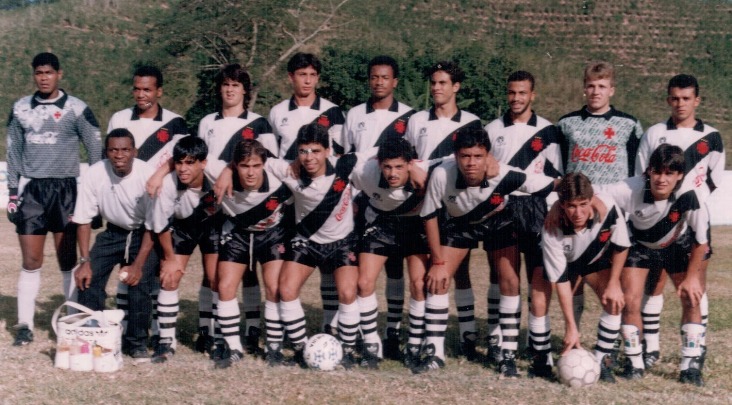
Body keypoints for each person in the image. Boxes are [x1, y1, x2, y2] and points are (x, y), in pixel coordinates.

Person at [415, 127, 555, 375]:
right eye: (465, 156)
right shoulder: (441, 174)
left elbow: (553, 184)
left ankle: (507, 354)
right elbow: (429, 216)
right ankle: (435, 352)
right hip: (460, 224)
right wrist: (436, 262)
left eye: (478, 156)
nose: (471, 163)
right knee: (437, 279)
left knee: (510, 281)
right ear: (456, 156)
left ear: (488, 156)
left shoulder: (504, 174)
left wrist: (590, 194)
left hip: (497, 222)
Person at [6, 52, 102, 346]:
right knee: (31, 260)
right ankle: (25, 325)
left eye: (49, 72)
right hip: (33, 191)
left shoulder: (76, 108)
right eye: (39, 73)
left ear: (59, 74)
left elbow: (95, 149)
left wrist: (96, 193)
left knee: (67, 260)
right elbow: (13, 151)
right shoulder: (21, 108)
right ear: (34, 75)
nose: (44, 78)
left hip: (65, 191)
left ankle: (71, 321)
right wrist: (13, 192)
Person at [596, 144, 711, 385]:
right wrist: (557, 208)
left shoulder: (691, 195)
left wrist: (692, 278)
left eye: (669, 173)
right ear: (649, 171)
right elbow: (592, 194)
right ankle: (634, 362)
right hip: (640, 244)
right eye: (657, 171)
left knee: (691, 298)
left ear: (680, 175)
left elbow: (701, 241)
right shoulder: (631, 188)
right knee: (630, 300)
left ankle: (689, 365)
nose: (661, 179)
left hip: (677, 244)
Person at [633, 74, 724, 371]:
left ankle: (696, 348)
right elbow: (642, 173)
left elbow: (713, 178)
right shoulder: (654, 133)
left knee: (695, 283)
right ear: (668, 100)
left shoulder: (711, 136)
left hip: (693, 219)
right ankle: (650, 347)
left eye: (686, 98)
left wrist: (687, 204)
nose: (680, 104)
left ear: (697, 100)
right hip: (656, 220)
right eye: (674, 98)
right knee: (654, 281)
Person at [483, 70, 562, 376]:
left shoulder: (548, 131)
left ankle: (541, 353)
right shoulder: (492, 129)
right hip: (504, 208)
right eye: (512, 92)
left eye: (522, 93)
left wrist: (553, 210)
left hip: (538, 208)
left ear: (532, 95)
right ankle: (507, 352)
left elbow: (556, 176)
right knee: (508, 281)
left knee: (539, 281)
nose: (516, 98)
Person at [404, 61, 484, 361]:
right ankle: (422, 339)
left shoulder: (472, 122)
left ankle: (467, 334)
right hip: (423, 206)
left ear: (456, 87)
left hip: (457, 207)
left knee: (460, 272)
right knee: (423, 275)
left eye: (443, 83)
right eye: (433, 83)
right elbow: (407, 157)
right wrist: (410, 166)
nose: (436, 88)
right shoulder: (417, 121)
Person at [556, 61, 643, 333]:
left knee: (618, 283)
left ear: (612, 90)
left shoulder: (629, 124)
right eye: (591, 86)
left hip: (614, 215)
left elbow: (637, 171)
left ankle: (616, 342)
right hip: (577, 213)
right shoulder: (567, 123)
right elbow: (558, 169)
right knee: (574, 279)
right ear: (584, 88)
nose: (596, 91)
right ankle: (573, 337)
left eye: (602, 86)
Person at [195, 63, 275, 355]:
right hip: (213, 205)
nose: (230, 90)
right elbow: (201, 162)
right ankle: (209, 330)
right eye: (226, 84)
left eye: (236, 85)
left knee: (249, 270)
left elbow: (269, 161)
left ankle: (252, 329)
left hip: (244, 205)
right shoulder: (207, 122)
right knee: (212, 271)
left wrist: (230, 171)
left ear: (245, 90)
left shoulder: (259, 123)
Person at [107, 65, 189, 348]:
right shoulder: (119, 118)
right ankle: (125, 326)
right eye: (137, 89)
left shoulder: (176, 122)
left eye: (147, 90)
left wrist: (157, 176)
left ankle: (159, 331)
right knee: (127, 269)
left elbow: (180, 158)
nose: (141, 95)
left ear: (159, 91)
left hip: (160, 207)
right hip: (127, 208)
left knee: (156, 270)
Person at [341, 55, 417, 360]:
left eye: (385, 77)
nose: (379, 82)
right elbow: (348, 158)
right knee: (365, 271)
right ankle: (363, 333)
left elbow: (414, 160)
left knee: (396, 269)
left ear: (395, 81)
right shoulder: (354, 114)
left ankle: (393, 332)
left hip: (399, 202)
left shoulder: (410, 116)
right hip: (365, 200)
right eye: (374, 77)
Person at [268, 53, 346, 333]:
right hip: (290, 197)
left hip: (324, 195)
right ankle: (280, 328)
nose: (308, 80)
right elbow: (272, 156)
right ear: (291, 77)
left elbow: (340, 153)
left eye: (313, 75)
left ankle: (330, 324)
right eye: (302, 75)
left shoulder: (333, 111)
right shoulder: (277, 112)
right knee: (288, 262)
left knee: (329, 263)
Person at [73, 129, 157, 362]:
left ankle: (137, 343)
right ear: (106, 152)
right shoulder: (95, 173)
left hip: (143, 234)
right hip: (113, 233)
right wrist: (84, 261)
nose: (119, 155)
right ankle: (93, 335)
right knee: (87, 278)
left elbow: (153, 226)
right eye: (113, 150)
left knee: (139, 284)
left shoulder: (147, 175)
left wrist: (138, 265)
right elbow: (83, 220)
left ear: (134, 152)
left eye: (125, 150)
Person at [543, 172, 630, 384]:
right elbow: (561, 281)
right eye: (571, 206)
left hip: (594, 259)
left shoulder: (608, 208)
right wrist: (570, 326)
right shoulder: (552, 227)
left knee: (614, 301)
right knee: (567, 304)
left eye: (583, 204)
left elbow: (621, 245)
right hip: (567, 262)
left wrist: (614, 283)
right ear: (562, 205)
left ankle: (602, 360)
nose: (578, 212)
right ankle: (567, 340)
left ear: (592, 199)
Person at [350, 137, 428, 369]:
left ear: (410, 164)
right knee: (364, 282)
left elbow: (452, 161)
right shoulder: (365, 172)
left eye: (399, 167)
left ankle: (414, 344)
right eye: (387, 167)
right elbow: (342, 166)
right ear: (379, 164)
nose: (393, 173)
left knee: (419, 284)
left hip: (414, 225)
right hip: (381, 223)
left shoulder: (426, 171)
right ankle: (371, 344)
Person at [213, 139, 292, 368]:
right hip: (238, 234)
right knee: (225, 287)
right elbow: (194, 161)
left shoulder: (279, 178)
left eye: (256, 166)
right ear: (235, 165)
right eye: (244, 166)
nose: (250, 172)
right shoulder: (220, 172)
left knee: (274, 287)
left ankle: (274, 348)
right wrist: (226, 171)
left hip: (272, 234)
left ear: (264, 164)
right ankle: (234, 348)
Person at [145, 136, 221, 363]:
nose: (183, 169)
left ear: (203, 163)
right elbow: (160, 225)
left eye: (190, 163)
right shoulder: (168, 184)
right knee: (169, 277)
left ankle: (209, 333)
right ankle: (166, 341)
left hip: (213, 225)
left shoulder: (216, 171)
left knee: (215, 278)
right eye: (179, 163)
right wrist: (169, 258)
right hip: (182, 227)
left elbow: (233, 171)